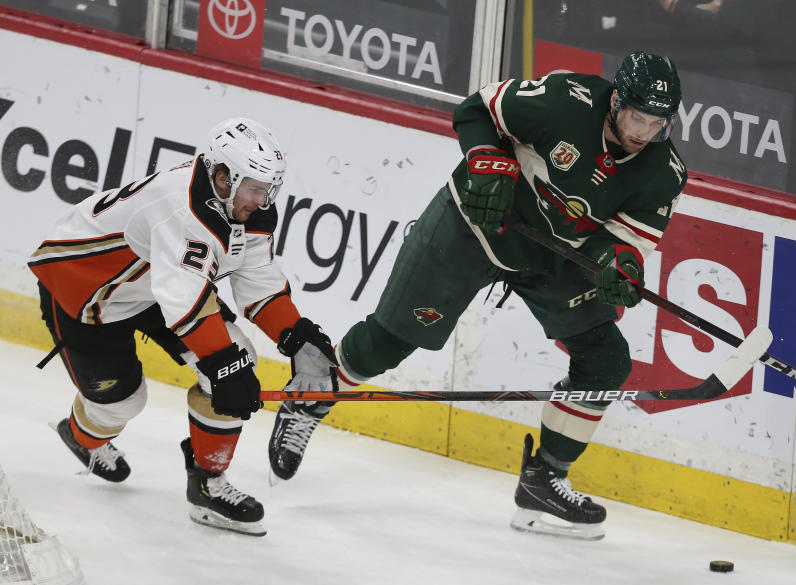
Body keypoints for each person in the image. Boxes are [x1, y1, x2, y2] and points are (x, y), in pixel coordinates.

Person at [269, 51, 687, 540]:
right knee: (391, 339)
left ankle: (544, 481)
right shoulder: (563, 101)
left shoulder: (665, 172)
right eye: (638, 117)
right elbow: (477, 108)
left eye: (658, 123)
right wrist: (485, 157)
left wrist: (619, 263)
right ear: (616, 101)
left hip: (553, 256)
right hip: (475, 223)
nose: (644, 131)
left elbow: (626, 241)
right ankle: (309, 399)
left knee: (605, 360)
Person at [28, 117, 337, 536]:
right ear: (223, 177)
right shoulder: (182, 211)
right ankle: (82, 436)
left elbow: (257, 282)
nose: (264, 200)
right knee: (123, 404)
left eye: (270, 189)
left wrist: (298, 340)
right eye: (256, 187)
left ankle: (207, 486)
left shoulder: (246, 206)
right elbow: (186, 305)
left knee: (236, 361)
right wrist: (225, 368)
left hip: (155, 285)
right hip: (90, 291)